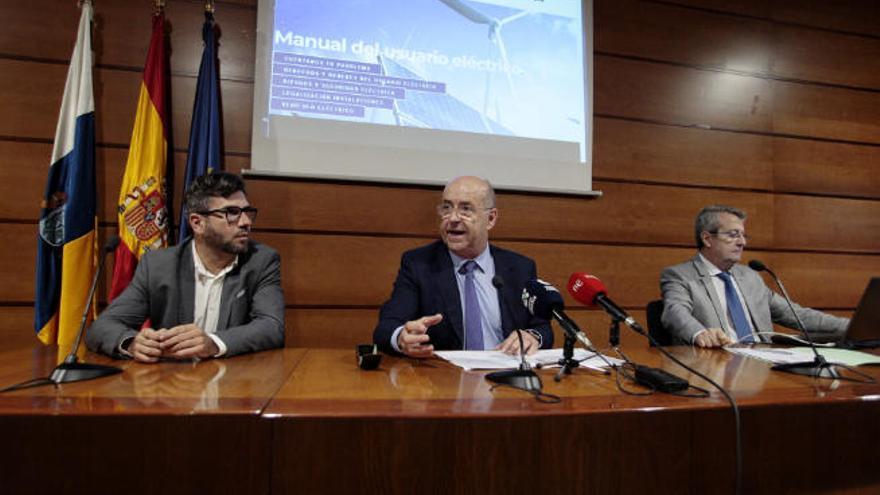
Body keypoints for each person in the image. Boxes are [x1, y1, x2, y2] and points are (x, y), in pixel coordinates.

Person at [86, 172, 285, 362]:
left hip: (233, 383)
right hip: (171, 382)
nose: (245, 222)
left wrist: (214, 343)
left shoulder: (261, 261)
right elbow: (102, 327)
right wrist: (132, 343)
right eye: (231, 213)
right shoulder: (158, 265)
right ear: (197, 223)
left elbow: (271, 326)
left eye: (247, 212)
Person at [373, 176, 553, 357]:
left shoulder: (519, 268)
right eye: (446, 208)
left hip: (506, 375)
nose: (452, 218)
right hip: (445, 379)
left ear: (490, 219)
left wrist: (533, 336)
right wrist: (401, 338)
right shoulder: (419, 265)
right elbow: (386, 328)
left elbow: (542, 327)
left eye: (466, 209)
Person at [660, 205, 848, 348]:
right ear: (707, 239)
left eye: (743, 236)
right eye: (733, 235)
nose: (742, 242)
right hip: (719, 363)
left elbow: (796, 315)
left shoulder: (750, 276)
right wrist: (700, 333)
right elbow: (674, 313)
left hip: (766, 363)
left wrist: (852, 326)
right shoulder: (680, 276)